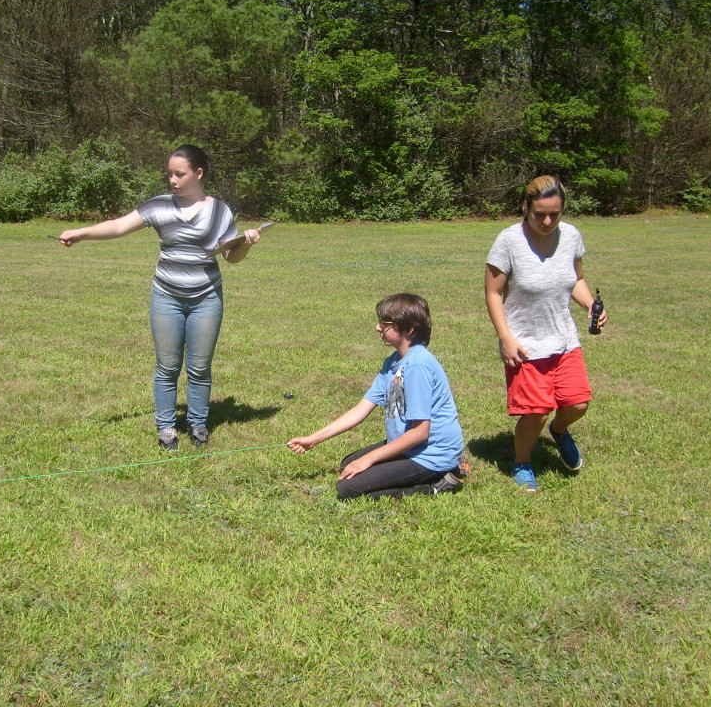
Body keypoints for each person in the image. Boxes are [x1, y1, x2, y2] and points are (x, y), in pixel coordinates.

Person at [56, 145, 262, 451]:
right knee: (167, 366)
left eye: (180, 174)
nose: (173, 180)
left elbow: (231, 257)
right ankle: (166, 427)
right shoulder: (159, 206)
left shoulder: (220, 211)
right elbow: (119, 226)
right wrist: (82, 232)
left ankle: (198, 423)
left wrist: (246, 243)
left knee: (200, 367)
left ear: (199, 173)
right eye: (170, 174)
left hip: (207, 298)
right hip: (166, 296)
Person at [484, 175, 608, 491]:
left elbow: (576, 280)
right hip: (525, 343)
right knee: (535, 413)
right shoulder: (509, 241)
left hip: (564, 339)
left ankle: (561, 431)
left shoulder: (571, 237)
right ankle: (522, 463)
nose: (547, 220)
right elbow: (493, 293)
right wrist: (505, 338)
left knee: (578, 404)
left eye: (555, 213)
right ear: (526, 208)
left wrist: (591, 305)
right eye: (540, 214)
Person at [287, 294, 467, 500]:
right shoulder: (393, 362)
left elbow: (420, 433)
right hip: (408, 446)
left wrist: (369, 459)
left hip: (431, 455)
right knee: (347, 466)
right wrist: (313, 439)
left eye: (385, 323)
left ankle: (438, 485)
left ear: (409, 329)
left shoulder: (418, 366)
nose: (377, 328)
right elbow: (361, 409)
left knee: (349, 489)